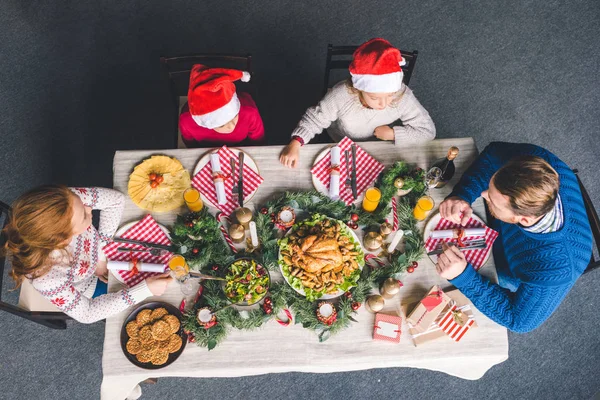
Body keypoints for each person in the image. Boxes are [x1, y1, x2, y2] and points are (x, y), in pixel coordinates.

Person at [435, 142, 592, 332]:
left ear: (523, 220)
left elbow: (519, 321)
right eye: (490, 189)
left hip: (519, 267)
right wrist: (464, 194)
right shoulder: (533, 162)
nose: (483, 195)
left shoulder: (555, 269)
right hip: (509, 237)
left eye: (492, 200)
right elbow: (493, 154)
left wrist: (463, 277)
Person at [1, 185, 172, 324]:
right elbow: (87, 313)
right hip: (87, 286)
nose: (89, 208)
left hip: (100, 259)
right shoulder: (46, 279)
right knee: (152, 307)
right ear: (63, 240)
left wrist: (100, 255)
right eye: (84, 216)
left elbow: (115, 200)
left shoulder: (63, 202)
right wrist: (144, 289)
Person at [280, 38, 435, 168]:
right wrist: (296, 142)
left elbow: (427, 131)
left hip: (379, 144)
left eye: (390, 95)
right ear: (359, 89)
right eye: (375, 98)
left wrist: (394, 134)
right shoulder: (340, 95)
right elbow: (316, 118)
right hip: (340, 139)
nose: (384, 104)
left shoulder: (402, 96)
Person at [179, 64, 265, 147]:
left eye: (235, 115)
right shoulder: (186, 120)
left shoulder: (250, 112)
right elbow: (190, 145)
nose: (232, 126)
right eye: (221, 125)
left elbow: (257, 142)